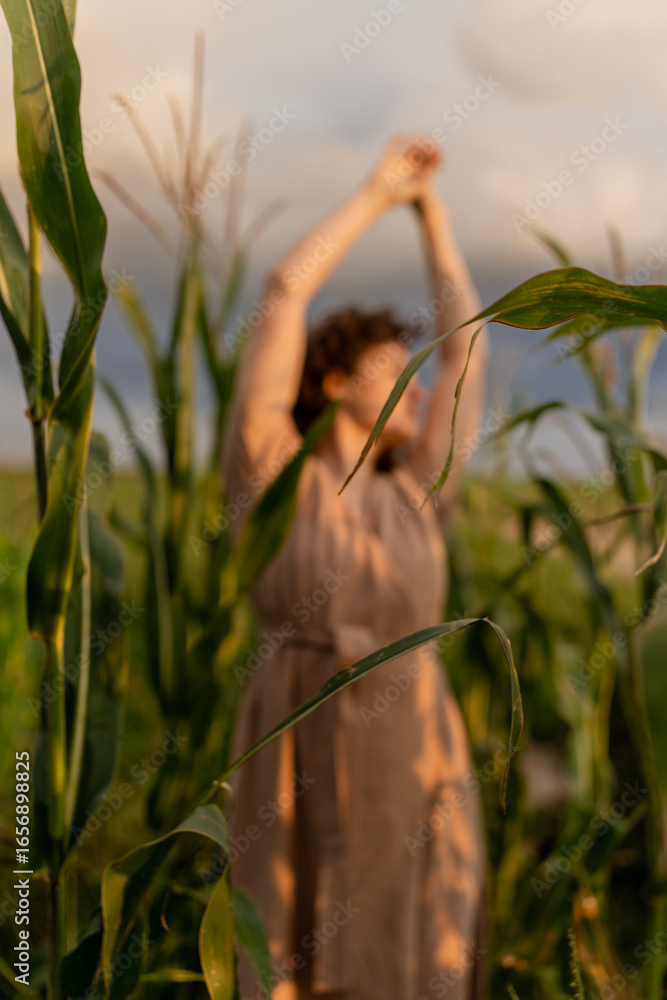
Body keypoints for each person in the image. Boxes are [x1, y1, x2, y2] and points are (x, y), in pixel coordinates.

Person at [220, 132, 490, 1000]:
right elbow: (282, 293)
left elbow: (466, 350)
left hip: (413, 746)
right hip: (296, 731)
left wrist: (433, 216)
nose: (418, 388)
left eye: (418, 378)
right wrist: (376, 194)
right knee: (287, 947)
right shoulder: (271, 470)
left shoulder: (420, 491)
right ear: (332, 379)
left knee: (412, 946)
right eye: (393, 370)